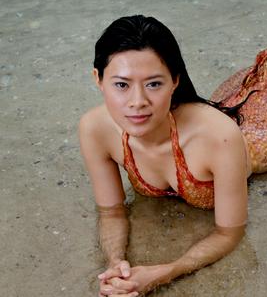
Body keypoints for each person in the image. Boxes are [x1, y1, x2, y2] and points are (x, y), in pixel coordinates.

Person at [79, 15, 251, 296]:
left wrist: (164, 273)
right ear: (98, 80)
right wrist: (116, 266)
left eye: (154, 84)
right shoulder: (94, 129)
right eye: (121, 85)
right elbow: (111, 212)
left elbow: (230, 232)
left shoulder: (219, 137)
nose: (138, 102)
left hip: (250, 143)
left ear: (175, 80)